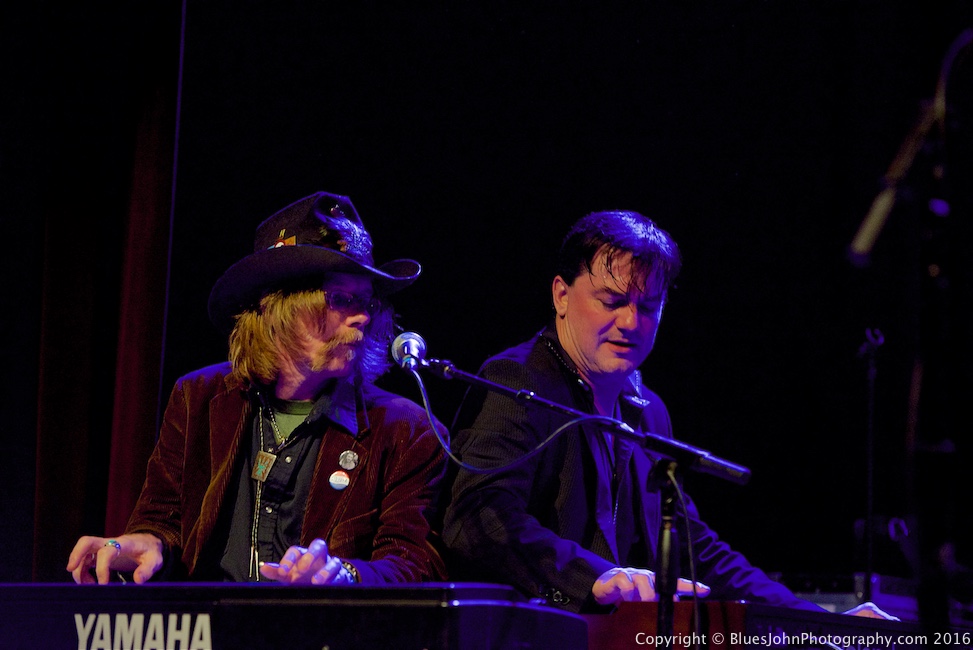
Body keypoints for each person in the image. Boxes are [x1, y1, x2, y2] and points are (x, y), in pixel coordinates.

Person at [441, 209, 892, 617]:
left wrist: (812, 620)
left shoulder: (647, 409)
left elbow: (692, 547)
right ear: (561, 294)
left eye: (649, 306)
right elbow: (476, 518)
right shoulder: (516, 381)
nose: (631, 322)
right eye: (612, 301)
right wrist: (595, 578)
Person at [68, 191, 448, 586]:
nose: (362, 317)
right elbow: (162, 519)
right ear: (276, 305)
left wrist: (345, 575)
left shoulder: (406, 430)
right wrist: (144, 543)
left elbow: (414, 562)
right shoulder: (198, 398)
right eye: (340, 298)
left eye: (367, 302)